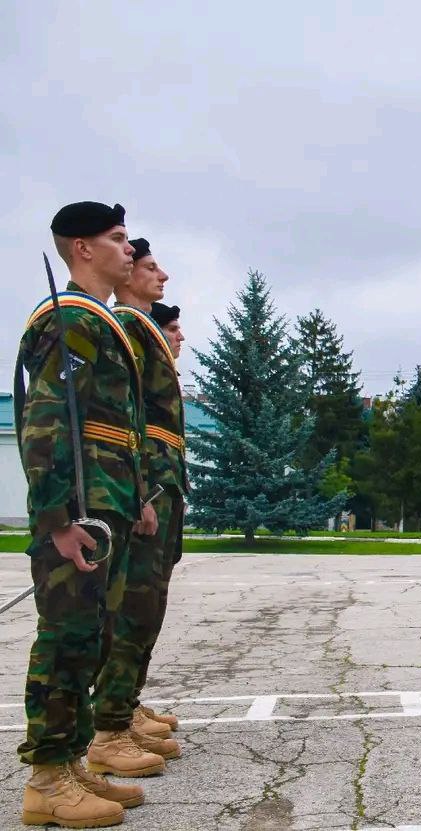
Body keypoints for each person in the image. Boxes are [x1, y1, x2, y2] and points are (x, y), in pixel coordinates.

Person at [17, 202, 164, 828]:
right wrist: (56, 517)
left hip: (105, 503)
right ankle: (46, 778)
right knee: (67, 638)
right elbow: (46, 419)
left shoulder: (102, 322)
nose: (127, 250)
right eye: (117, 238)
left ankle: (71, 760)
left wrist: (132, 499)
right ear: (82, 249)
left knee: (91, 636)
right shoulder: (69, 319)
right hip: (78, 509)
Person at [92, 239, 187, 770]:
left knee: (146, 606)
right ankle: (111, 719)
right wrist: (144, 489)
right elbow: (128, 422)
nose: (160, 274)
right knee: (131, 608)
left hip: (159, 485)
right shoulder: (126, 328)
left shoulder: (137, 327)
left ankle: (122, 709)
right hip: (145, 487)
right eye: (149, 266)